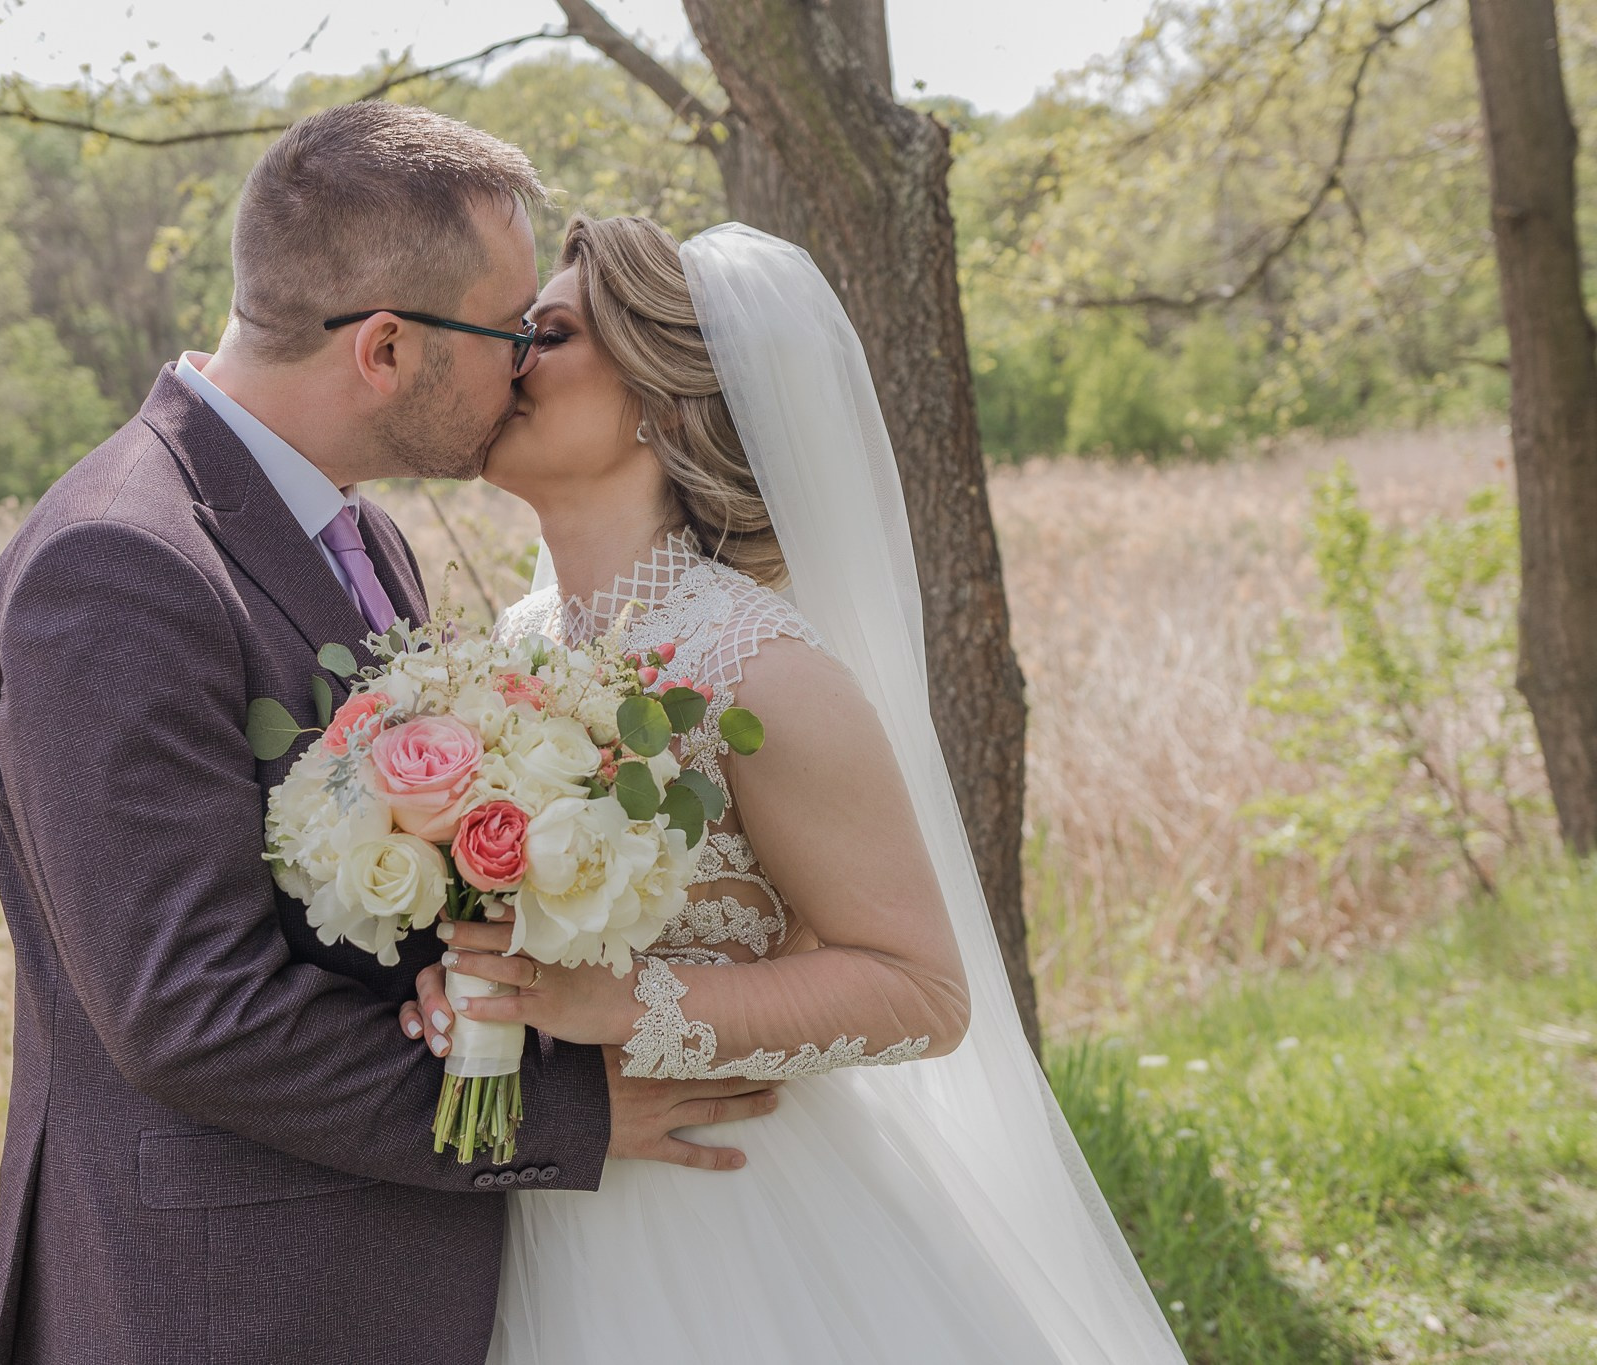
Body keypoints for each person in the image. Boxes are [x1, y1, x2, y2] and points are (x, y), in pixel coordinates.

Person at [0, 108, 774, 1365]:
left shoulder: (362, 537)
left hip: (383, 1278)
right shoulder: (119, 564)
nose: (526, 365)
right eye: (511, 331)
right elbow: (188, 1010)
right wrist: (563, 1110)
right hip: (227, 1301)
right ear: (388, 347)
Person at [401, 215, 1189, 1364]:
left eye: (549, 332)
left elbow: (917, 990)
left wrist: (622, 1010)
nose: (504, 355)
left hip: (728, 1225)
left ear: (662, 399)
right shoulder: (506, 653)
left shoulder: (753, 666)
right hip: (541, 1192)